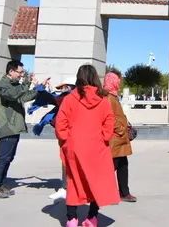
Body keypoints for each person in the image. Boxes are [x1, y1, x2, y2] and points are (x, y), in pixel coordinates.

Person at [55, 64, 119, 227]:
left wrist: (66, 139)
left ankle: (71, 218)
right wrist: (104, 136)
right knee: (96, 182)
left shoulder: (70, 99)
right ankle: (92, 217)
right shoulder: (103, 100)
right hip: (97, 147)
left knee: (74, 182)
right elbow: (110, 121)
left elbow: (60, 123)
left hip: (75, 146)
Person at [0, 59, 48, 199]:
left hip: (15, 128)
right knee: (2, 158)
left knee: (8, 158)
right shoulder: (3, 85)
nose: (22, 75)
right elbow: (15, 94)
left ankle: (0, 185)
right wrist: (27, 83)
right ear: (11, 71)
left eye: (23, 73)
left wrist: (39, 88)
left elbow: (24, 96)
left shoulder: (14, 85)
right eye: (20, 72)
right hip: (7, 127)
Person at [103, 70, 136, 202]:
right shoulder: (108, 98)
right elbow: (110, 118)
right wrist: (122, 130)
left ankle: (124, 192)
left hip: (119, 137)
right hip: (115, 137)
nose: (119, 83)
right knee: (112, 166)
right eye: (118, 81)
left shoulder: (112, 96)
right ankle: (102, 190)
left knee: (122, 165)